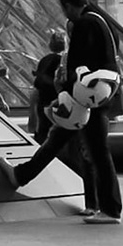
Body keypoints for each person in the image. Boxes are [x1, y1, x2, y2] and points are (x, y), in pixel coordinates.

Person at [0, 0, 123, 223]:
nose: (65, 16)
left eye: (64, 9)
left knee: (96, 151)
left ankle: (110, 209)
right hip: (101, 91)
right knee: (58, 139)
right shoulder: (103, 21)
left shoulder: (84, 23)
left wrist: (63, 91)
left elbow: (76, 64)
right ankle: (20, 175)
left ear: (69, 6)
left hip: (86, 96)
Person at [29, 29, 99, 214]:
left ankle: (31, 177)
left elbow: (39, 83)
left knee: (47, 145)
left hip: (54, 109)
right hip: (70, 110)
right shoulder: (75, 61)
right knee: (74, 151)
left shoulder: (50, 60)